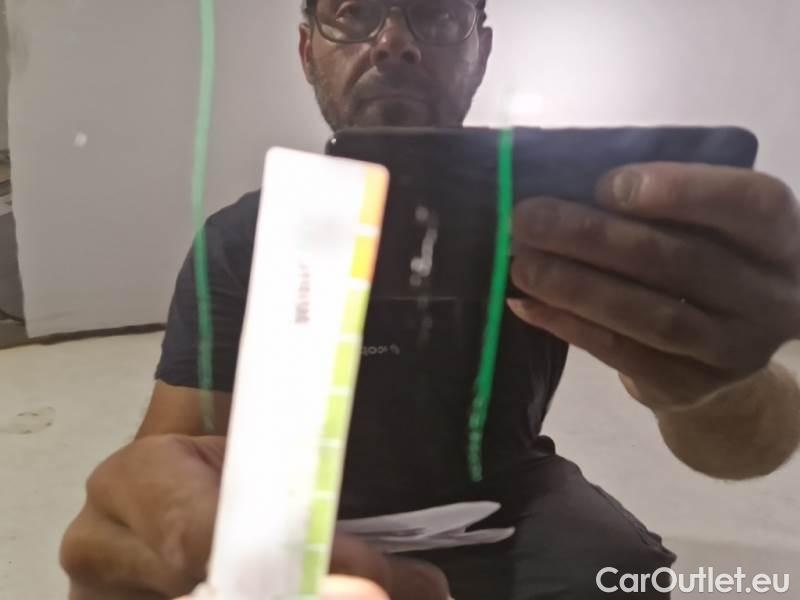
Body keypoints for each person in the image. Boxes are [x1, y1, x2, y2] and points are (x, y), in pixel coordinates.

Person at [61, 1, 800, 598]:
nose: (393, 41)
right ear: (307, 51)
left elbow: (749, 445)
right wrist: (147, 530)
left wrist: (712, 380)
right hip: (310, 515)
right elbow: (169, 454)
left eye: (438, 14)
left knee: (626, 580)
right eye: (354, 13)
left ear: (481, 50)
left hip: (511, 498)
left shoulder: (542, 221)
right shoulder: (243, 240)